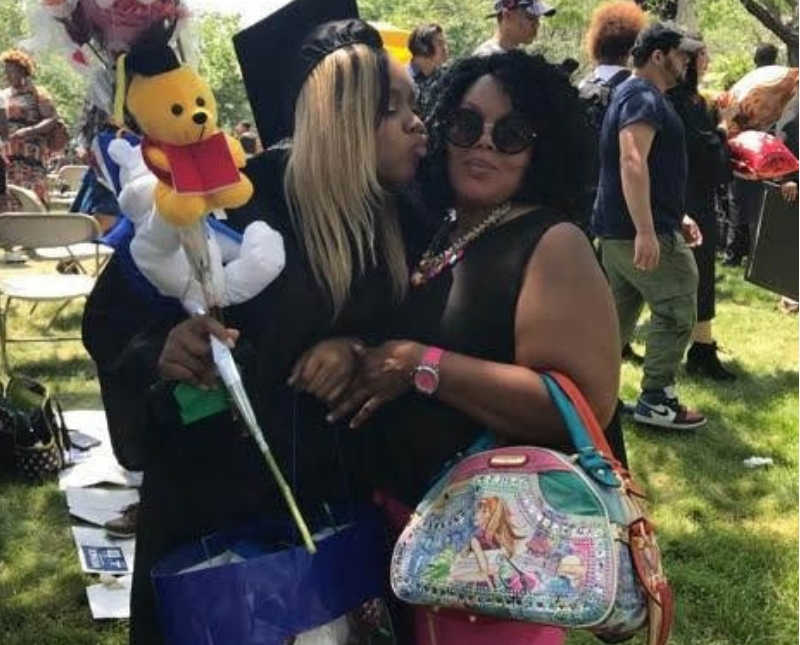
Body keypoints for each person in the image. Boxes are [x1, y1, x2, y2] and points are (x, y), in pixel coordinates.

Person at [105, 15, 430, 643]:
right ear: (341, 120)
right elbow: (116, 321)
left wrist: (358, 349)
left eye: (415, 106)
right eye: (392, 110)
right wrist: (169, 350)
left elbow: (417, 334)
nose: (418, 124)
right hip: (222, 496)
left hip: (339, 497)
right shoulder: (238, 199)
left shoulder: (404, 217)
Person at [306, 51, 622, 644]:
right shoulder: (444, 230)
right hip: (406, 537)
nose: (484, 145)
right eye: (465, 124)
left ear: (543, 146)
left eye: (512, 134)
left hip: (490, 560)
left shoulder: (551, 242)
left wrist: (422, 367)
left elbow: (578, 407)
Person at [592, 23, 707, 430]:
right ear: (658, 55)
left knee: (615, 321)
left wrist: (678, 215)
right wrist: (646, 228)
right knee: (677, 305)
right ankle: (657, 399)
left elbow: (649, 167)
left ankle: (588, 393)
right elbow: (632, 160)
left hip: (621, 229)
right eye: (682, 54)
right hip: (638, 230)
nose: (687, 61)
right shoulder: (642, 96)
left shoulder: (632, 92)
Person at [668, 35, 736, 380]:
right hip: (690, 200)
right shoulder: (686, 104)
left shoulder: (689, 101)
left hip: (685, 197)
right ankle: (699, 351)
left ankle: (702, 344)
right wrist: (724, 127)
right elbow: (709, 156)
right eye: (704, 56)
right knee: (696, 275)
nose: (708, 61)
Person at [722, 43, 778, 266]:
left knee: (739, 203)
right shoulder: (780, 84)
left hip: (744, 149)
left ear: (756, 59)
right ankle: (758, 255)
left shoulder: (746, 84)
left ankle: (734, 252)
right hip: (770, 149)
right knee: (761, 206)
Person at [0, 49, 65, 207]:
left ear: (23, 71)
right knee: (11, 195)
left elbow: (52, 119)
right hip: (9, 153)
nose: (8, 74)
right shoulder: (4, 95)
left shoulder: (38, 94)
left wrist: (29, 131)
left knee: (33, 196)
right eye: (6, 70)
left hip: (32, 155)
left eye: (12, 70)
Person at [473, 0, 555, 57]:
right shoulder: (486, 57)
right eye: (531, 17)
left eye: (538, 19)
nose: (537, 25)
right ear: (507, 16)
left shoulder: (515, 56)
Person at [407, 23, 449, 116]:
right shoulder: (402, 79)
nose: (445, 48)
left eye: (445, 43)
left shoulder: (447, 78)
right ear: (423, 47)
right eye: (440, 43)